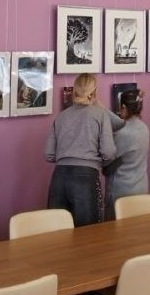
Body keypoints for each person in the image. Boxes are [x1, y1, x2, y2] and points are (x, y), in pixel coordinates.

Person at [44, 72, 116, 226]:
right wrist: (99, 162)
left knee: (57, 231)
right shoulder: (100, 114)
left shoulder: (61, 116)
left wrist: (67, 156)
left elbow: (48, 154)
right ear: (94, 92)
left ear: (74, 91)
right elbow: (108, 151)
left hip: (59, 177)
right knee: (88, 233)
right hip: (86, 177)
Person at [103, 88, 150, 221]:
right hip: (141, 188)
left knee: (114, 230)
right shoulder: (144, 129)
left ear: (123, 107)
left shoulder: (122, 133)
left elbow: (108, 159)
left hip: (121, 191)